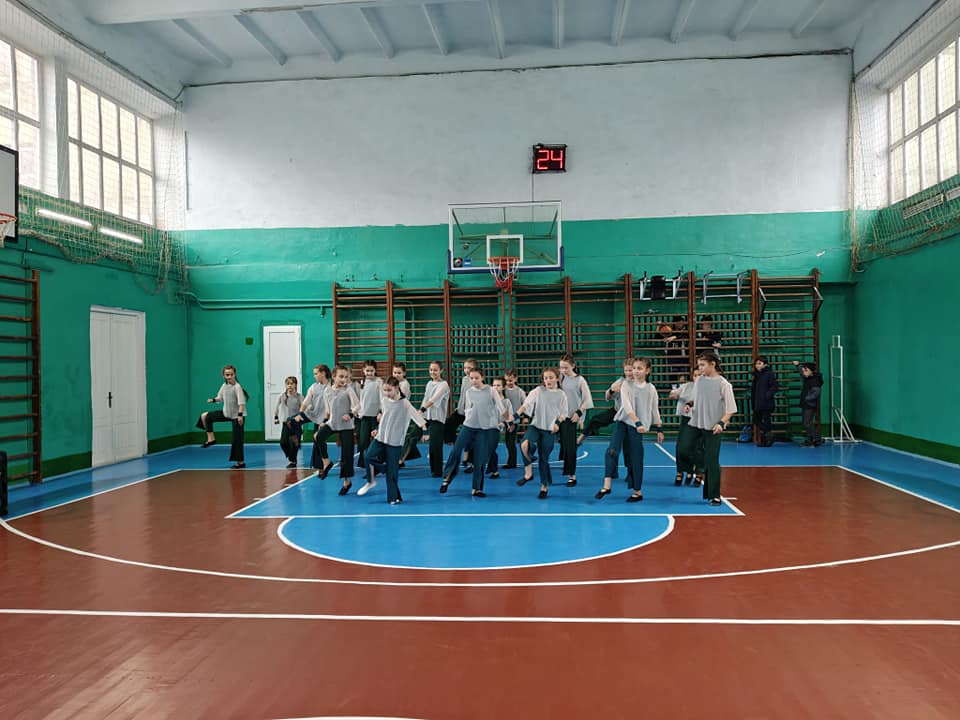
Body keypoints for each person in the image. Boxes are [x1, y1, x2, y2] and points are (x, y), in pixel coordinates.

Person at [594, 357, 664, 502]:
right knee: (612, 451)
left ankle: (637, 492)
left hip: (637, 428)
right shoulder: (625, 384)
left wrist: (659, 428)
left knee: (636, 458)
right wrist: (637, 421)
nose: (635, 371)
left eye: (639, 368)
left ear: (647, 371)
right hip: (623, 422)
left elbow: (654, 409)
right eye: (634, 368)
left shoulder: (651, 389)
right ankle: (606, 486)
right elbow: (627, 406)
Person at [439, 365, 511, 497]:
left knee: (480, 458)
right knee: (456, 450)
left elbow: (501, 408)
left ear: (482, 377)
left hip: (483, 429)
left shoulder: (491, 391)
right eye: (471, 378)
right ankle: (447, 478)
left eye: (476, 378)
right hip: (468, 426)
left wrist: (508, 421)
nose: (474, 381)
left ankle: (476, 488)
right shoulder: (469, 392)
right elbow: (468, 409)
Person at [678, 352, 737, 506]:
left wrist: (721, 423)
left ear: (713, 364)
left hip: (714, 427)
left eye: (703, 365)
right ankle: (703, 465)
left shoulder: (724, 384)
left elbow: (731, 409)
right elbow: (695, 399)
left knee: (712, 461)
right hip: (696, 422)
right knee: (683, 448)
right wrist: (689, 404)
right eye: (699, 365)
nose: (700, 368)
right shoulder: (699, 381)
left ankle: (714, 495)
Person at [358, 376, 426, 504]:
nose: (386, 393)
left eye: (389, 390)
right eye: (384, 390)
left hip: (395, 442)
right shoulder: (385, 401)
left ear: (396, 388)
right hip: (381, 438)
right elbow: (385, 418)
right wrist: (377, 429)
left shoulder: (405, 403)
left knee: (392, 473)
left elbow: (417, 417)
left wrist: (424, 431)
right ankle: (372, 480)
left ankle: (394, 497)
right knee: (368, 456)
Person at [515, 367, 568, 499]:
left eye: (551, 377)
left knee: (544, 459)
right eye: (545, 378)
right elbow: (526, 404)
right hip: (536, 426)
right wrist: (516, 415)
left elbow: (563, 413)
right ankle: (528, 474)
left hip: (549, 430)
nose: (548, 380)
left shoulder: (561, 395)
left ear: (557, 378)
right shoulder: (538, 391)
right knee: (524, 444)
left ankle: (544, 487)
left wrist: (557, 423)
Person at [312, 364, 360, 494]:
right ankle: (326, 461)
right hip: (332, 423)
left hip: (346, 426)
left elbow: (357, 405)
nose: (344, 379)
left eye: (346, 377)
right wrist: (324, 422)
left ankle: (347, 482)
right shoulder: (327, 391)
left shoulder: (348, 390)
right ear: (333, 377)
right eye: (341, 376)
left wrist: (350, 414)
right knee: (318, 436)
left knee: (347, 455)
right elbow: (328, 411)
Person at [195, 364, 249, 469]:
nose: (229, 376)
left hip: (237, 416)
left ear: (235, 374)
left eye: (231, 374)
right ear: (223, 375)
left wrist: (240, 416)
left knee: (237, 439)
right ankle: (211, 439)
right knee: (206, 416)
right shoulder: (224, 386)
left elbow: (241, 403)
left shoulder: (237, 387)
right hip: (226, 413)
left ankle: (241, 462)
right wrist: (213, 400)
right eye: (227, 375)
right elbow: (220, 397)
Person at [557, 353, 593, 487]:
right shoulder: (560, 378)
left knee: (570, 447)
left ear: (573, 366)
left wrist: (579, 413)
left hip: (572, 417)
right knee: (563, 444)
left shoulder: (580, 380)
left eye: (566, 367)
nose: (563, 370)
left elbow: (587, 399)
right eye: (561, 367)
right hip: (559, 417)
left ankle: (572, 476)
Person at [669, 368, 701, 485]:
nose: (697, 377)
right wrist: (673, 394)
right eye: (695, 375)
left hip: (701, 420)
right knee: (681, 447)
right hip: (687, 419)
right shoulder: (686, 386)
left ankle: (698, 472)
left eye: (700, 375)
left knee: (698, 448)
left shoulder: (707, 389)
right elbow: (674, 393)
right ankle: (682, 470)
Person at [419, 360, 451, 477]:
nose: (432, 372)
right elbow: (425, 399)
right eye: (431, 370)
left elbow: (433, 400)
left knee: (435, 445)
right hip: (427, 417)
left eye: (435, 370)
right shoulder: (429, 383)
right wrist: (421, 416)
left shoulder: (444, 385)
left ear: (441, 371)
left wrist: (421, 410)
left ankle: (437, 471)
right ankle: (401, 459)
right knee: (412, 437)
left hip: (437, 418)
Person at [485, 377, 515, 479]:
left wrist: (506, 423)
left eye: (498, 385)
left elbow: (509, 415)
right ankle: (491, 468)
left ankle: (494, 471)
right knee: (487, 448)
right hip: (487, 426)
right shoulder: (489, 400)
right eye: (494, 385)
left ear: (503, 387)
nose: (495, 387)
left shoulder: (506, 402)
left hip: (496, 428)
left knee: (491, 447)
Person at [355, 360, 382, 469]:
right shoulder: (362, 382)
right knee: (363, 441)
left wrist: (381, 412)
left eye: (371, 371)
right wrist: (358, 411)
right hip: (364, 416)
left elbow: (382, 398)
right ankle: (363, 461)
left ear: (375, 370)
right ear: (363, 370)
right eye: (367, 371)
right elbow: (361, 400)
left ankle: (379, 461)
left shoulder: (379, 382)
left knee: (378, 440)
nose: (369, 373)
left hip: (375, 416)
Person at [274, 376, 304, 467]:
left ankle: (293, 461)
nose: (290, 385)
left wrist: (301, 416)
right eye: (288, 384)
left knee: (294, 443)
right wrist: (276, 417)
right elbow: (276, 406)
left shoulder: (299, 396)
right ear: (285, 385)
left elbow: (303, 408)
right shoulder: (282, 396)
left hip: (296, 424)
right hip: (286, 423)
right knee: (283, 442)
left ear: (295, 385)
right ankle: (290, 456)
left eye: (292, 383)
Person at [793, 360, 824, 447]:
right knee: (806, 423)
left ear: (811, 371)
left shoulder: (815, 381)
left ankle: (817, 438)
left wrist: (807, 398)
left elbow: (816, 393)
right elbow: (801, 372)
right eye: (803, 371)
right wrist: (798, 365)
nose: (804, 372)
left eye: (806, 371)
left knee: (806, 423)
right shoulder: (807, 377)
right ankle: (810, 439)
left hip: (809, 405)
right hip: (806, 404)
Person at [751, 356, 779, 447]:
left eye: (759, 363)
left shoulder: (769, 374)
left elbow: (775, 387)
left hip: (766, 403)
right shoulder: (757, 375)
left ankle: (767, 440)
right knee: (756, 420)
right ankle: (769, 435)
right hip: (758, 402)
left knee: (766, 420)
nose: (757, 365)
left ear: (765, 364)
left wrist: (767, 395)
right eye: (756, 364)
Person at [501, 371, 526, 469]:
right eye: (506, 380)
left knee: (510, 442)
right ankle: (511, 462)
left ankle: (512, 462)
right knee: (507, 442)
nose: (508, 382)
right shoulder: (503, 390)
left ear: (516, 379)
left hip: (513, 420)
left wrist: (523, 416)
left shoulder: (520, 392)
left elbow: (525, 404)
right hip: (503, 419)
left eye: (510, 380)